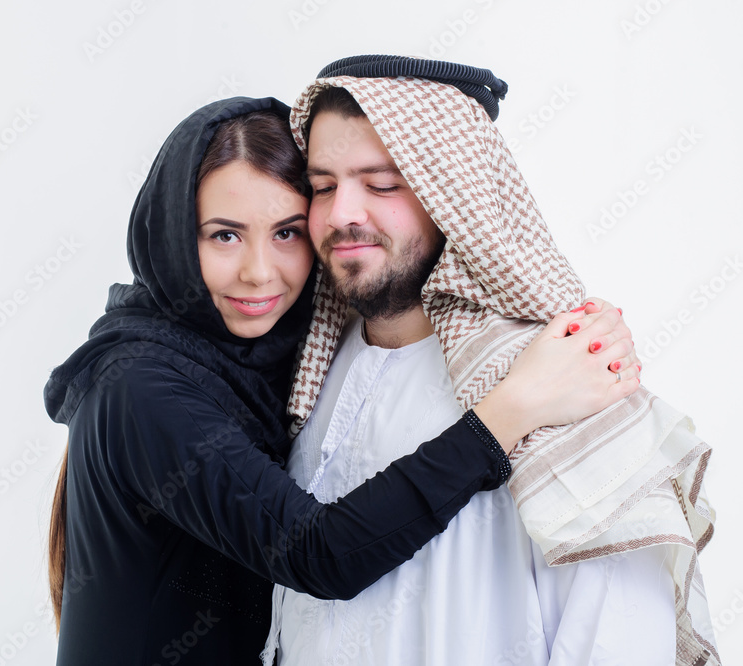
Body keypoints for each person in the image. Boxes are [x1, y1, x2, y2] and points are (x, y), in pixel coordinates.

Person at [43, 95, 639, 666]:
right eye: (224, 234)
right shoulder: (137, 388)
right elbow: (318, 553)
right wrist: (513, 409)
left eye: (286, 233)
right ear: (171, 237)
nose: (259, 273)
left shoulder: (289, 358)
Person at [263, 56, 717, 666]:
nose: (342, 214)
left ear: (454, 199)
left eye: (383, 183)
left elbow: (618, 638)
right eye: (322, 186)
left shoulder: (562, 379)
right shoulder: (309, 369)